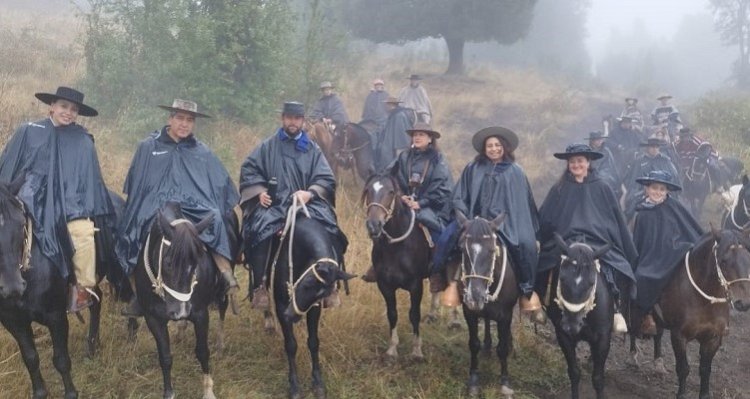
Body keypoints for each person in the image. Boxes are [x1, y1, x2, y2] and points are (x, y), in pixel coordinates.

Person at [117, 99, 241, 315]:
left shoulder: (201, 151)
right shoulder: (149, 147)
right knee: (132, 226)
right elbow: (138, 183)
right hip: (157, 204)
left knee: (216, 218)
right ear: (170, 119)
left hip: (193, 204)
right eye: (180, 118)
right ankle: (138, 292)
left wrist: (215, 201)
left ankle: (223, 272)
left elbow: (218, 182)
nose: (184, 124)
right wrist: (145, 203)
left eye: (190, 120)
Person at [0, 86, 115, 312]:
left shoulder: (82, 140)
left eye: (74, 109)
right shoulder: (28, 131)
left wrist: (78, 203)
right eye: (64, 106)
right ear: (52, 106)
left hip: (68, 202)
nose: (68, 112)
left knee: (83, 233)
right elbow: (9, 165)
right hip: (28, 196)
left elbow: (87, 180)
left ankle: (81, 290)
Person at [239, 102, 348, 310]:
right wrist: (259, 191)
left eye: (297, 119)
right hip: (275, 205)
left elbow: (326, 177)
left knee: (332, 229)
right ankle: (260, 285)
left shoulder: (313, 149)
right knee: (257, 229)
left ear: (303, 121)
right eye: (289, 118)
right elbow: (249, 170)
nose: (292, 122)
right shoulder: (268, 146)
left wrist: (311, 192)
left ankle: (331, 285)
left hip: (308, 205)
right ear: (282, 119)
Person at [536, 144, 637, 333]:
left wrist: (623, 245)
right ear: (568, 164)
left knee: (614, 265)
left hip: (596, 240)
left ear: (588, 162)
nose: (576, 165)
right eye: (572, 161)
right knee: (544, 263)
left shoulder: (602, 187)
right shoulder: (559, 188)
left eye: (580, 161)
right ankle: (540, 302)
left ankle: (616, 309)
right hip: (566, 241)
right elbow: (547, 216)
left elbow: (615, 218)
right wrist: (541, 237)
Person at [448, 126, 541, 313]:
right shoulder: (472, 169)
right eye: (489, 145)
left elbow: (524, 203)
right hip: (475, 223)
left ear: (505, 147)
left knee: (526, 245)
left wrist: (517, 224)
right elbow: (459, 196)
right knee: (447, 240)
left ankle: (526, 291)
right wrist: (465, 215)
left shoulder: (516, 172)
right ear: (484, 149)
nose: (493, 149)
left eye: (497, 145)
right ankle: (449, 285)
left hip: (508, 223)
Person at [361, 122, 453, 292]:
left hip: (431, 205)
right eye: (415, 134)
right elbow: (390, 174)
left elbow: (442, 187)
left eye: (422, 135)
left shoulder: (438, 160)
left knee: (438, 234)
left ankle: (437, 271)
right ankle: (378, 265)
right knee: (383, 223)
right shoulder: (404, 156)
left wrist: (421, 202)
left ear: (430, 139)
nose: (417, 137)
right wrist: (400, 194)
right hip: (404, 201)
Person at [631, 170, 703, 335]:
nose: (658, 192)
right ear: (647, 189)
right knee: (642, 276)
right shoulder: (642, 212)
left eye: (662, 189)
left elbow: (690, 227)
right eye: (654, 188)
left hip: (673, 251)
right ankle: (646, 314)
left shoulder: (675, 207)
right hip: (650, 257)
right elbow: (639, 242)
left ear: (667, 191)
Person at [622, 138, 681, 221]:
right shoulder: (639, 161)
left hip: (664, 190)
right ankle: (627, 223)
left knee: (676, 207)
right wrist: (643, 189)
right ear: (648, 148)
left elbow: (674, 176)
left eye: (657, 147)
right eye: (652, 147)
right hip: (642, 190)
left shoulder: (666, 160)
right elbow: (633, 178)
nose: (654, 149)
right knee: (633, 203)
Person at [372, 96, 415, 172]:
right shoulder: (392, 115)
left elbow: (401, 138)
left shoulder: (399, 116)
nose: (385, 107)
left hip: (394, 152)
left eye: (387, 104)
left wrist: (398, 154)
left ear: (391, 105)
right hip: (388, 150)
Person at [586, 130, 621, 197]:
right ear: (592, 141)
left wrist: (618, 182)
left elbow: (612, 167)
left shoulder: (606, 151)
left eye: (600, 139)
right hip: (590, 180)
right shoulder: (587, 152)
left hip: (606, 179)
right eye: (597, 139)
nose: (600, 141)